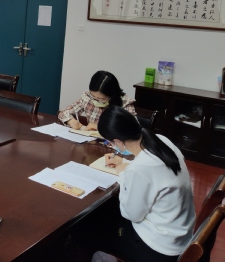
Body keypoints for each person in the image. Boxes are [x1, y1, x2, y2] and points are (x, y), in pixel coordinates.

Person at [95, 106, 194, 262]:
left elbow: (131, 214)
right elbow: (154, 173)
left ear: (118, 141)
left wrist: (124, 175)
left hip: (159, 248)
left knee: (91, 227)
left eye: (110, 142)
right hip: (180, 234)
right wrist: (125, 169)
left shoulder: (139, 168)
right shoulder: (162, 140)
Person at [58, 70, 135, 131]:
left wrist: (99, 127)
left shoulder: (125, 103)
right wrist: (70, 120)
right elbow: (63, 112)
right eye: (94, 97)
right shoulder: (88, 97)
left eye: (102, 99)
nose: (97, 101)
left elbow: (133, 128)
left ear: (112, 94)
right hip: (91, 141)